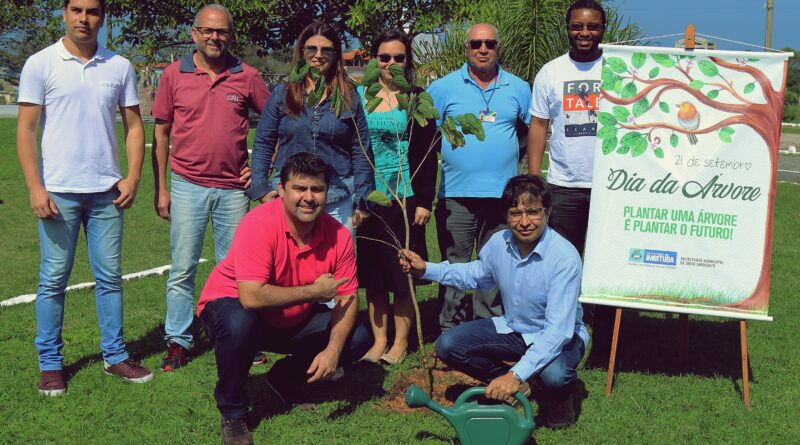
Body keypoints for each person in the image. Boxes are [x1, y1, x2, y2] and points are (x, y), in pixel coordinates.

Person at [16, 0, 152, 395]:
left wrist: (133, 177)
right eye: (76, 9)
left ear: (102, 17)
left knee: (110, 278)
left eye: (92, 11)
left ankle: (115, 356)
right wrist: (35, 187)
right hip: (58, 192)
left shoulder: (120, 66)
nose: (83, 17)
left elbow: (134, 126)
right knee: (53, 280)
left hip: (108, 193)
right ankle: (50, 364)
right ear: (64, 13)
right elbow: (25, 130)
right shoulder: (41, 63)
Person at [198, 152, 370, 445]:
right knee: (240, 322)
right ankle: (233, 411)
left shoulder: (339, 235)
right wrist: (315, 292)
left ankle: (284, 379)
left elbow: (347, 297)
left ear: (327, 193)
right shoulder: (260, 223)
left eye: (317, 189)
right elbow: (251, 298)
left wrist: (333, 350)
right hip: (230, 306)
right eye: (299, 188)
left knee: (358, 335)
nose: (309, 197)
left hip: (290, 315)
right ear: (281, 190)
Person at [401, 175, 588, 429]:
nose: (524, 222)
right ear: (506, 215)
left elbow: (557, 333)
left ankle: (554, 394)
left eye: (533, 212)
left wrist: (514, 373)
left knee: (554, 375)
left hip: (561, 336)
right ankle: (521, 384)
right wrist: (426, 270)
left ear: (548, 212)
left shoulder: (564, 257)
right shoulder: (499, 243)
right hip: (515, 328)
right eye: (515, 213)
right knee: (449, 344)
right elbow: (475, 274)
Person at [150, 3, 271, 371]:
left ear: (230, 36)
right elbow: (161, 132)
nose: (215, 37)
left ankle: (239, 337)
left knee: (237, 269)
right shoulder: (173, 75)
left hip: (235, 190)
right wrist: (162, 188)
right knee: (182, 268)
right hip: (186, 185)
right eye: (208, 31)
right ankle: (178, 340)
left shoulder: (247, 76)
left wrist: (263, 172)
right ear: (195, 34)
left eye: (222, 32)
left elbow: (274, 122)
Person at [426, 23, 532, 331]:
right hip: (456, 195)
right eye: (475, 44)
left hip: (502, 197)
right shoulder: (443, 88)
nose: (482, 49)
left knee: (495, 266)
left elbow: (528, 133)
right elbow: (426, 136)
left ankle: (490, 330)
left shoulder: (518, 88)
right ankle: (451, 332)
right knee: (455, 264)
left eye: (489, 44)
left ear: (499, 48)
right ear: (466, 49)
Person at [526, 0, 610, 353]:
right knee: (564, 265)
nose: (585, 33)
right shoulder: (551, 72)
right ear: (568, 28)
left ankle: (604, 337)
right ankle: (563, 331)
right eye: (577, 26)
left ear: (603, 28)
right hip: (564, 185)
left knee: (605, 263)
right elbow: (539, 125)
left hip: (612, 186)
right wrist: (534, 179)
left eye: (592, 26)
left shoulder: (618, 69)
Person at [355, 29, 438, 365]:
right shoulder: (360, 97)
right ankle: (378, 341)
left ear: (408, 61)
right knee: (374, 274)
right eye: (384, 57)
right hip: (370, 197)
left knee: (403, 273)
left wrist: (424, 201)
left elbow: (428, 154)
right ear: (374, 59)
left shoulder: (418, 99)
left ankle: (401, 343)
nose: (391, 63)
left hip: (405, 198)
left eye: (398, 57)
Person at [247, 21, 373, 234]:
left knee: (335, 265)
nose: (318, 55)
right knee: (289, 264)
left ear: (335, 55)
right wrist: (261, 187)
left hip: (338, 199)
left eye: (326, 50)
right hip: (290, 199)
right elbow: (264, 142)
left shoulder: (349, 96)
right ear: (301, 52)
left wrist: (363, 200)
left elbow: (361, 151)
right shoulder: (282, 94)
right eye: (312, 48)